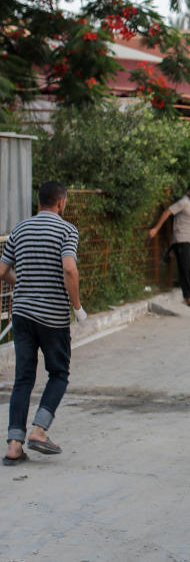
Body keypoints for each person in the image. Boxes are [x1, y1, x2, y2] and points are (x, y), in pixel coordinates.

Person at [1, 181, 84, 466]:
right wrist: (78, 307)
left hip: (22, 314)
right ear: (61, 203)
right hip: (53, 316)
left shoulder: (20, 229)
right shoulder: (66, 230)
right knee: (59, 373)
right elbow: (69, 268)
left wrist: (22, 282)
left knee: (23, 378)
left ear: (39, 203)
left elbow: (2, 270)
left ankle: (14, 447)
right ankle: (38, 430)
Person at [147, 182, 190, 308]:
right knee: (186, 269)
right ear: (189, 192)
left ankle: (188, 287)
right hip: (181, 239)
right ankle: (189, 297)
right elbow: (168, 212)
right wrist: (156, 228)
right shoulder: (184, 201)